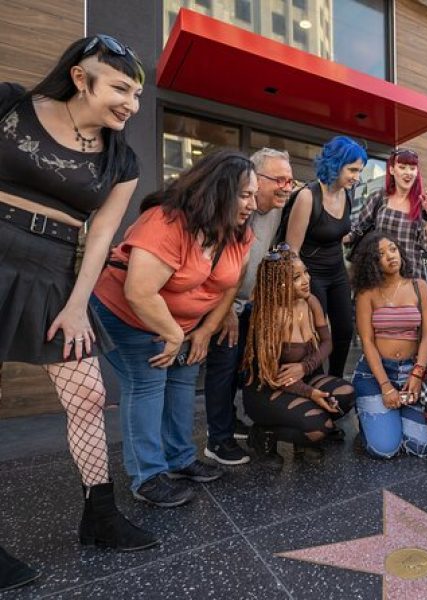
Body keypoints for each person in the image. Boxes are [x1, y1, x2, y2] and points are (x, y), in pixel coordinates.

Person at [0, 35, 155, 588]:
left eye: (137, 95)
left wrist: (76, 306)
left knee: (88, 393)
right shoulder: (11, 104)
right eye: (120, 89)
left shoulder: (123, 160)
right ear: (81, 78)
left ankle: (101, 515)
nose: (131, 105)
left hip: (56, 269)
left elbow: (101, 238)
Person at [91, 149, 256, 507]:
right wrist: (175, 333)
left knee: (182, 380)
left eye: (254, 195)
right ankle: (147, 475)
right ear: (220, 190)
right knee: (148, 382)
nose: (252, 204)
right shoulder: (165, 222)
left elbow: (231, 282)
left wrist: (207, 328)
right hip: (129, 314)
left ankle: (180, 459)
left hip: (183, 324)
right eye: (245, 195)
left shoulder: (238, 232)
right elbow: (138, 292)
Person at [203, 147, 294, 466]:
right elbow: (213, 263)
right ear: (256, 179)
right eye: (279, 179)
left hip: (251, 304)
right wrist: (224, 309)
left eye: (290, 180)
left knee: (240, 369)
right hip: (222, 304)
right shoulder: (236, 208)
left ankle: (229, 422)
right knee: (222, 369)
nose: (286, 186)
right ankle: (218, 440)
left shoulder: (279, 210)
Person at [241, 248, 355, 464]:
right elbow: (273, 376)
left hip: (301, 378)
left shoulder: (310, 301)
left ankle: (301, 441)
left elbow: (327, 342)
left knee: (346, 394)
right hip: (267, 390)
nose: (306, 280)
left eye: (306, 273)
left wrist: (305, 367)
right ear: (278, 283)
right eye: (296, 277)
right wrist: (311, 393)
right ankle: (263, 433)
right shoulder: (270, 317)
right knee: (321, 427)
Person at [285, 135, 367, 377]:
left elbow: (338, 234)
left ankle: (336, 379)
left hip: (337, 272)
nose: (356, 177)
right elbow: (291, 252)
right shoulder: (308, 196)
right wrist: (300, 289)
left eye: (359, 171)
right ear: (335, 164)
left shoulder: (347, 195)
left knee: (344, 330)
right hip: (311, 275)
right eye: (352, 170)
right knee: (316, 334)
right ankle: (315, 380)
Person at [351, 232, 427, 458]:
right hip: (375, 374)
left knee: (422, 448)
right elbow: (367, 341)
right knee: (385, 449)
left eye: (392, 249)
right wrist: (386, 386)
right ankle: (370, 418)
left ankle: (389, 417)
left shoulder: (420, 286)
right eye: (381, 254)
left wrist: (417, 373)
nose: (390, 256)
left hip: (411, 372)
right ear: (372, 262)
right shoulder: (366, 294)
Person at [349, 148, 427, 336]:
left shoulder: (422, 204)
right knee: (378, 331)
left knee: (412, 334)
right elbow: (356, 229)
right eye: (402, 167)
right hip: (379, 277)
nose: (407, 172)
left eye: (412, 168)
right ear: (391, 170)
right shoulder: (379, 198)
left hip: (411, 278)